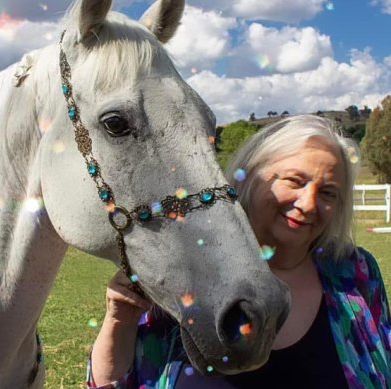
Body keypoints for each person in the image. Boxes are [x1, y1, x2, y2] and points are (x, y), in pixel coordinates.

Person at [86, 115, 391, 388]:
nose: (309, 204)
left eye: (328, 193)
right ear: (251, 175)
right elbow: (110, 382)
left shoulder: (354, 271)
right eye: (294, 181)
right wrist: (119, 320)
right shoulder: (186, 266)